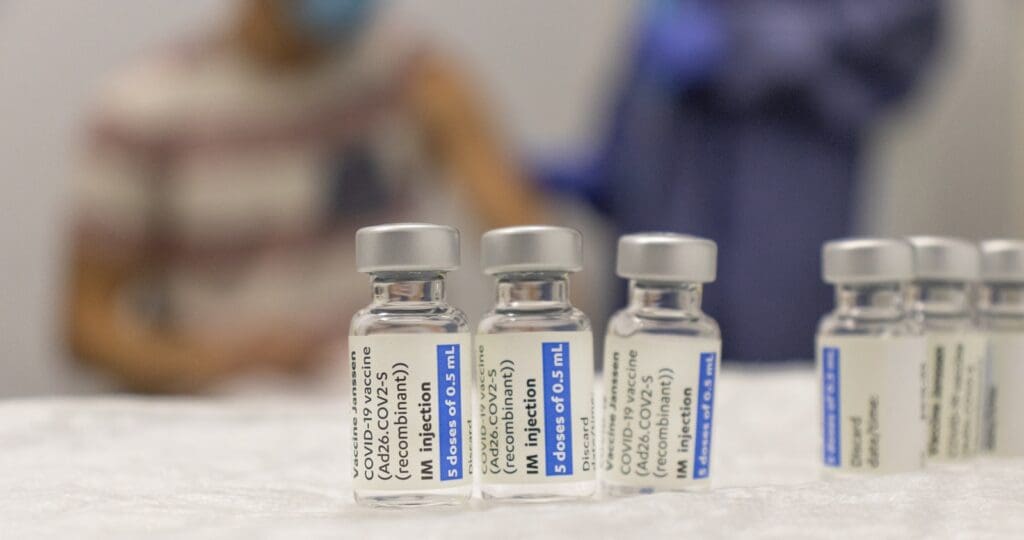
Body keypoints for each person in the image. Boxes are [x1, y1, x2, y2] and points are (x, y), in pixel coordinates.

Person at [66, 0, 543, 392]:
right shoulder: (143, 109)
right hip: (223, 415)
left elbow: (525, 242)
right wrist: (220, 360)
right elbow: (86, 327)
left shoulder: (411, 78)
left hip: (394, 389)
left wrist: (523, 357)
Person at [542, 0, 942, 361]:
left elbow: (896, 36)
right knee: (654, 396)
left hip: (778, 234)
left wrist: (738, 43)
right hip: (661, 251)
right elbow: (650, 91)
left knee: (779, 405)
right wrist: (612, 167)